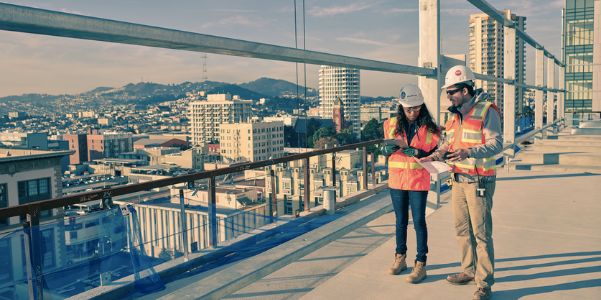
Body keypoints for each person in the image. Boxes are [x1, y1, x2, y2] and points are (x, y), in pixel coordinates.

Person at [420, 65, 503, 300]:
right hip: (457, 180)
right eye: (447, 92)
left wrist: (469, 152)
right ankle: (468, 270)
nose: (449, 96)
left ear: (466, 90)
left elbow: (497, 144)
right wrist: (435, 156)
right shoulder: (454, 115)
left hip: (479, 180)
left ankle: (484, 283)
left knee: (482, 233)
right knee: (462, 230)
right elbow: (448, 143)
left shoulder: (487, 111)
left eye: (452, 92)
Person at [381, 84, 440, 284]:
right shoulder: (389, 124)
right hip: (397, 180)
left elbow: (431, 153)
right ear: (401, 108)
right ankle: (400, 258)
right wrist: (387, 150)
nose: (413, 112)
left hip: (417, 181)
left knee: (419, 222)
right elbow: (386, 148)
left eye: (416, 108)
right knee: (400, 221)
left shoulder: (432, 130)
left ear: (421, 106)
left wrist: (414, 151)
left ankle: (421, 263)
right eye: (409, 109)